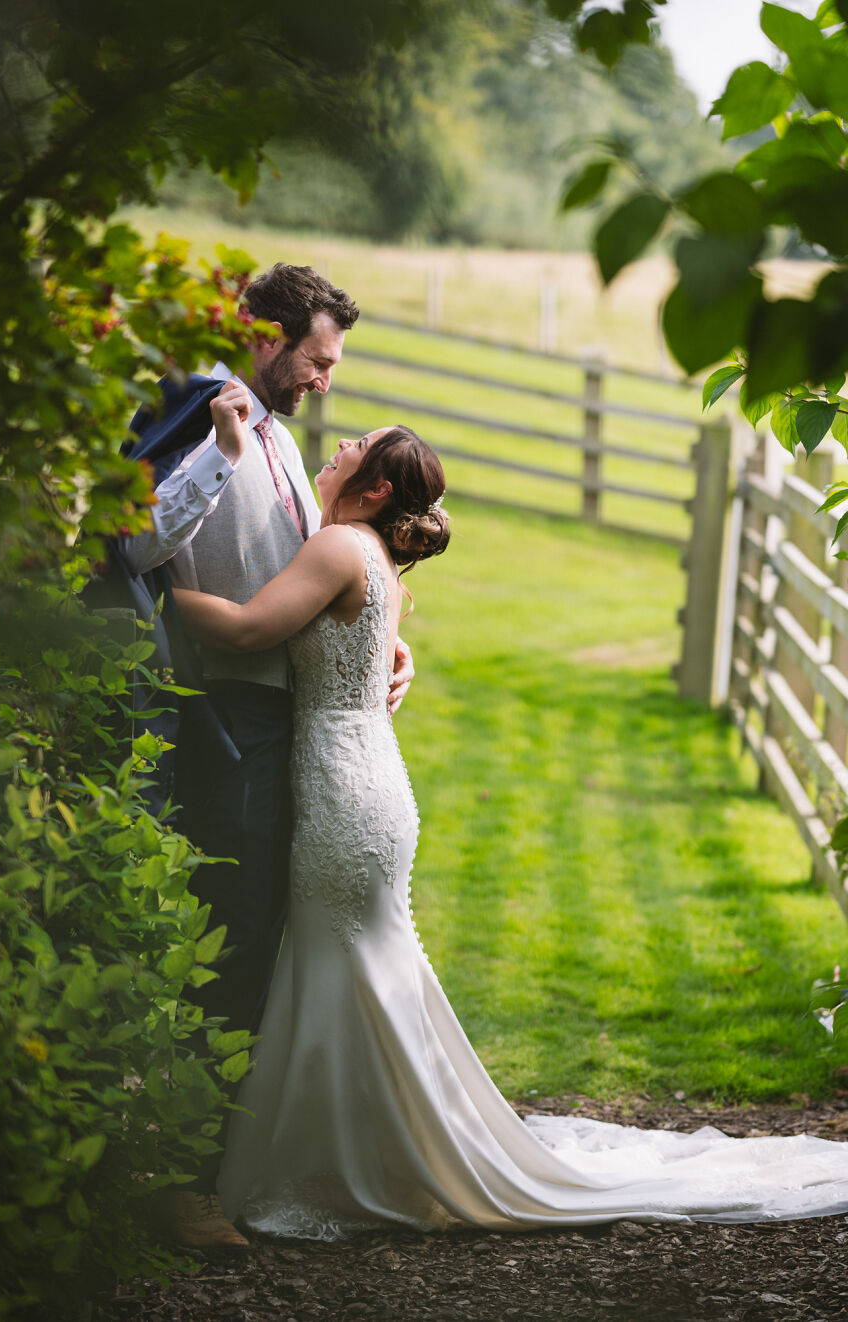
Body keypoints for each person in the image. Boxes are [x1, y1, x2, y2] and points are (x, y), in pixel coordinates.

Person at [174, 424, 848, 1241]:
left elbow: (247, 630)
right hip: (369, 783)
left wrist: (152, 582)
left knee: (339, 970)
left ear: (377, 487)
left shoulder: (339, 547)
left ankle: (354, 1163)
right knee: (356, 973)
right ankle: (377, 1152)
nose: (342, 440)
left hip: (341, 791)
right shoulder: (363, 551)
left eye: (359, 442)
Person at [114, 265, 415, 1251]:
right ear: (270, 333)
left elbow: (304, 578)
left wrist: (371, 648)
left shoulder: (279, 432)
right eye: (317, 357)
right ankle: (183, 1184)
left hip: (288, 717)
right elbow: (136, 548)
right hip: (227, 715)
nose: (324, 380)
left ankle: (232, 1158)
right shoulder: (208, 410)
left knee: (258, 946)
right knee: (233, 944)